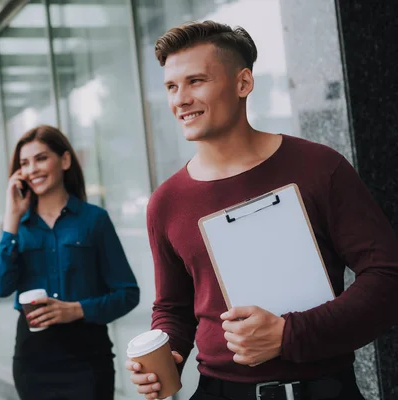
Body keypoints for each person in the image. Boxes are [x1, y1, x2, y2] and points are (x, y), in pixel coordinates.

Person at [126, 20, 398, 400]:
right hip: (218, 392)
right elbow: (173, 306)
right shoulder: (167, 202)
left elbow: (388, 277)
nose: (180, 99)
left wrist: (289, 335)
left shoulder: (320, 168)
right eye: (172, 86)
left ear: (243, 84)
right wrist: (169, 351)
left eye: (196, 81)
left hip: (324, 389)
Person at [0, 125, 140, 400]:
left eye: (41, 158)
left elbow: (128, 294)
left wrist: (78, 310)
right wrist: (11, 220)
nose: (32, 169)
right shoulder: (18, 228)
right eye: (25, 163)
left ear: (65, 160)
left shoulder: (94, 220)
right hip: (32, 360)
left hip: (88, 357)